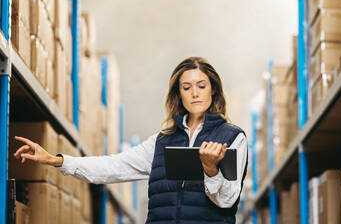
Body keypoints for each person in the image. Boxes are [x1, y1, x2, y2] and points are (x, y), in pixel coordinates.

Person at [14, 57, 248, 224]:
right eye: (187, 87)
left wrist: (211, 170)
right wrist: (57, 160)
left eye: (201, 86)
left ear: (213, 90)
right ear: (179, 94)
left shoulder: (232, 137)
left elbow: (227, 201)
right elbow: (113, 167)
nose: (195, 93)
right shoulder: (161, 141)